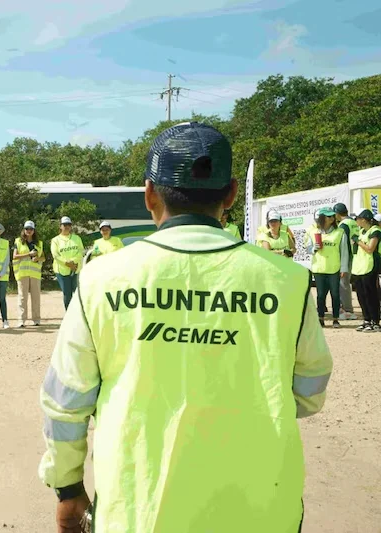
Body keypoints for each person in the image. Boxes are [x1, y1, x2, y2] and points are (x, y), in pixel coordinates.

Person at [39, 122, 333, 533]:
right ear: (230, 194)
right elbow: (310, 390)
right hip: (261, 509)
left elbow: (66, 403)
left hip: (138, 511)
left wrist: (67, 489)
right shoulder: (288, 280)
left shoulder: (100, 279)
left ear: (149, 194)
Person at [307, 207, 350, 328]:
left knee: (335, 295)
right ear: (321, 218)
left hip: (334, 268)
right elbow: (308, 249)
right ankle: (320, 318)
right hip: (319, 268)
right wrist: (314, 248)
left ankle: (335, 319)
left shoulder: (340, 232)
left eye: (332, 216)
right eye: (328, 216)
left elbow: (344, 251)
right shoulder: (313, 232)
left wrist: (344, 268)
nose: (331, 218)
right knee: (320, 295)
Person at [352, 210, 381, 332]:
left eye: (357, 218)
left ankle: (375, 321)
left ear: (363, 219)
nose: (356, 221)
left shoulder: (375, 231)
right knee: (361, 295)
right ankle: (366, 319)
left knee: (371, 295)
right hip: (359, 267)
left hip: (370, 266)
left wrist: (357, 241)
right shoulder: (361, 231)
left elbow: (370, 248)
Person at [12, 220, 44, 328]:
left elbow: (43, 257)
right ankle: (21, 320)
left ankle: (36, 319)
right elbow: (15, 256)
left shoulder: (39, 243)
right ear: (24, 230)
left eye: (31, 229)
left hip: (35, 273)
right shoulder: (18, 241)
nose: (28, 231)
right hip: (22, 273)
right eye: (27, 229)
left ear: (34, 230)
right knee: (22, 297)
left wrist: (37, 258)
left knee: (36, 297)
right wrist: (28, 254)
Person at [51, 216, 84, 310]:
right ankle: (68, 314)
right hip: (62, 271)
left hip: (76, 269)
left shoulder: (76, 238)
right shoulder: (55, 240)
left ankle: (79, 313)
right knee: (67, 293)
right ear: (60, 226)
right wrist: (67, 263)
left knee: (78, 293)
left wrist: (73, 262)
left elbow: (81, 251)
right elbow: (55, 255)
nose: (67, 226)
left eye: (69, 224)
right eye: (64, 225)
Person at [334, 203, 360, 320]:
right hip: (355, 255)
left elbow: (343, 244)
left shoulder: (343, 225)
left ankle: (347, 310)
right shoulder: (353, 222)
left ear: (337, 214)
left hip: (347, 256)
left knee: (343, 284)